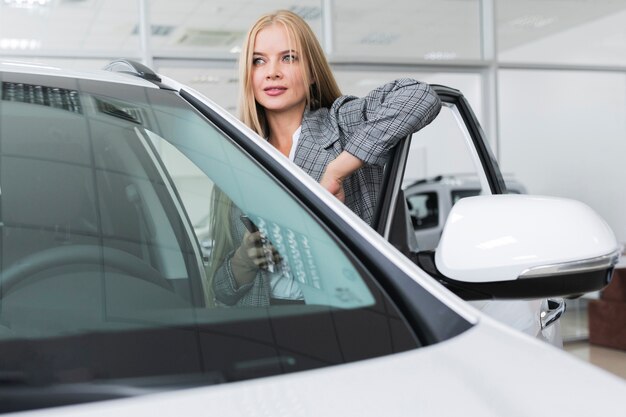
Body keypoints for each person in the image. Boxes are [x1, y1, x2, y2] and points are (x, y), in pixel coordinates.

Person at [209, 9, 441, 307]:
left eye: (288, 57)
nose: (272, 72)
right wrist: (244, 260)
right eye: (259, 61)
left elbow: (419, 95)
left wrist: (337, 170)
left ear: (313, 72)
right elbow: (221, 291)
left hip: (348, 316)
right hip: (264, 325)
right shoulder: (238, 159)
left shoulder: (342, 124)